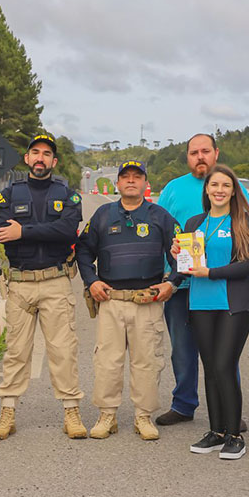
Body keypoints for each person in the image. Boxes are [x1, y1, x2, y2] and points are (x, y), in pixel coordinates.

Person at [156, 133, 249, 429]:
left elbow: (247, 244)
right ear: (187, 157)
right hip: (181, 284)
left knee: (224, 355)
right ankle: (183, 404)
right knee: (183, 350)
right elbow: (161, 231)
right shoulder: (173, 189)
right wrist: (167, 268)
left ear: (216, 153)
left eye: (205, 151)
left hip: (221, 288)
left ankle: (230, 414)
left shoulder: (231, 188)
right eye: (193, 152)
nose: (199, 157)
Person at [0, 134, 86, 440]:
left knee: (63, 350)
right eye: (35, 153)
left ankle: (71, 411)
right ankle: (7, 412)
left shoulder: (68, 195)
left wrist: (25, 231)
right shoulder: (7, 195)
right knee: (16, 352)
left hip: (56, 281)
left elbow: (67, 230)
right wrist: (37, 232)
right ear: (27, 159)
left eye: (46, 153)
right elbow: (5, 233)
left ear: (53, 162)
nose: (41, 157)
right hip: (20, 284)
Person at [77, 161, 180, 441]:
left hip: (147, 301)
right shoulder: (102, 215)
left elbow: (180, 254)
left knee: (147, 361)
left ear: (146, 183)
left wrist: (172, 282)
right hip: (111, 300)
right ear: (117, 184)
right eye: (126, 177)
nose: (131, 181)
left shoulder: (160, 216)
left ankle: (143, 416)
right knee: (107, 361)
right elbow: (83, 252)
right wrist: (92, 281)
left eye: (137, 177)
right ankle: (106, 415)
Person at [171, 164, 249, 459]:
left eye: (225, 185)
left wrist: (210, 272)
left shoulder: (244, 221)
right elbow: (184, 268)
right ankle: (216, 430)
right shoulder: (195, 223)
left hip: (233, 304)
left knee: (224, 365)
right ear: (206, 190)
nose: (219, 190)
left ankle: (235, 435)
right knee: (210, 368)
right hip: (200, 304)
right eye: (214, 185)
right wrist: (176, 256)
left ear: (234, 191)